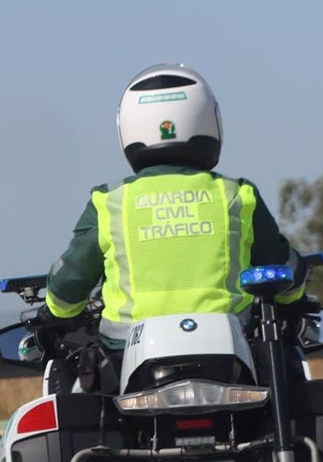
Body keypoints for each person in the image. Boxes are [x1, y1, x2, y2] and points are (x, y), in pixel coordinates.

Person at [33, 63, 308, 391]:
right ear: (210, 120)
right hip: (230, 350)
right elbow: (284, 269)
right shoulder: (236, 194)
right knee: (288, 381)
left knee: (82, 398)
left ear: (127, 128)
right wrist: (297, 298)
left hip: (126, 355)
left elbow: (69, 283)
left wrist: (55, 314)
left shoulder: (110, 202)